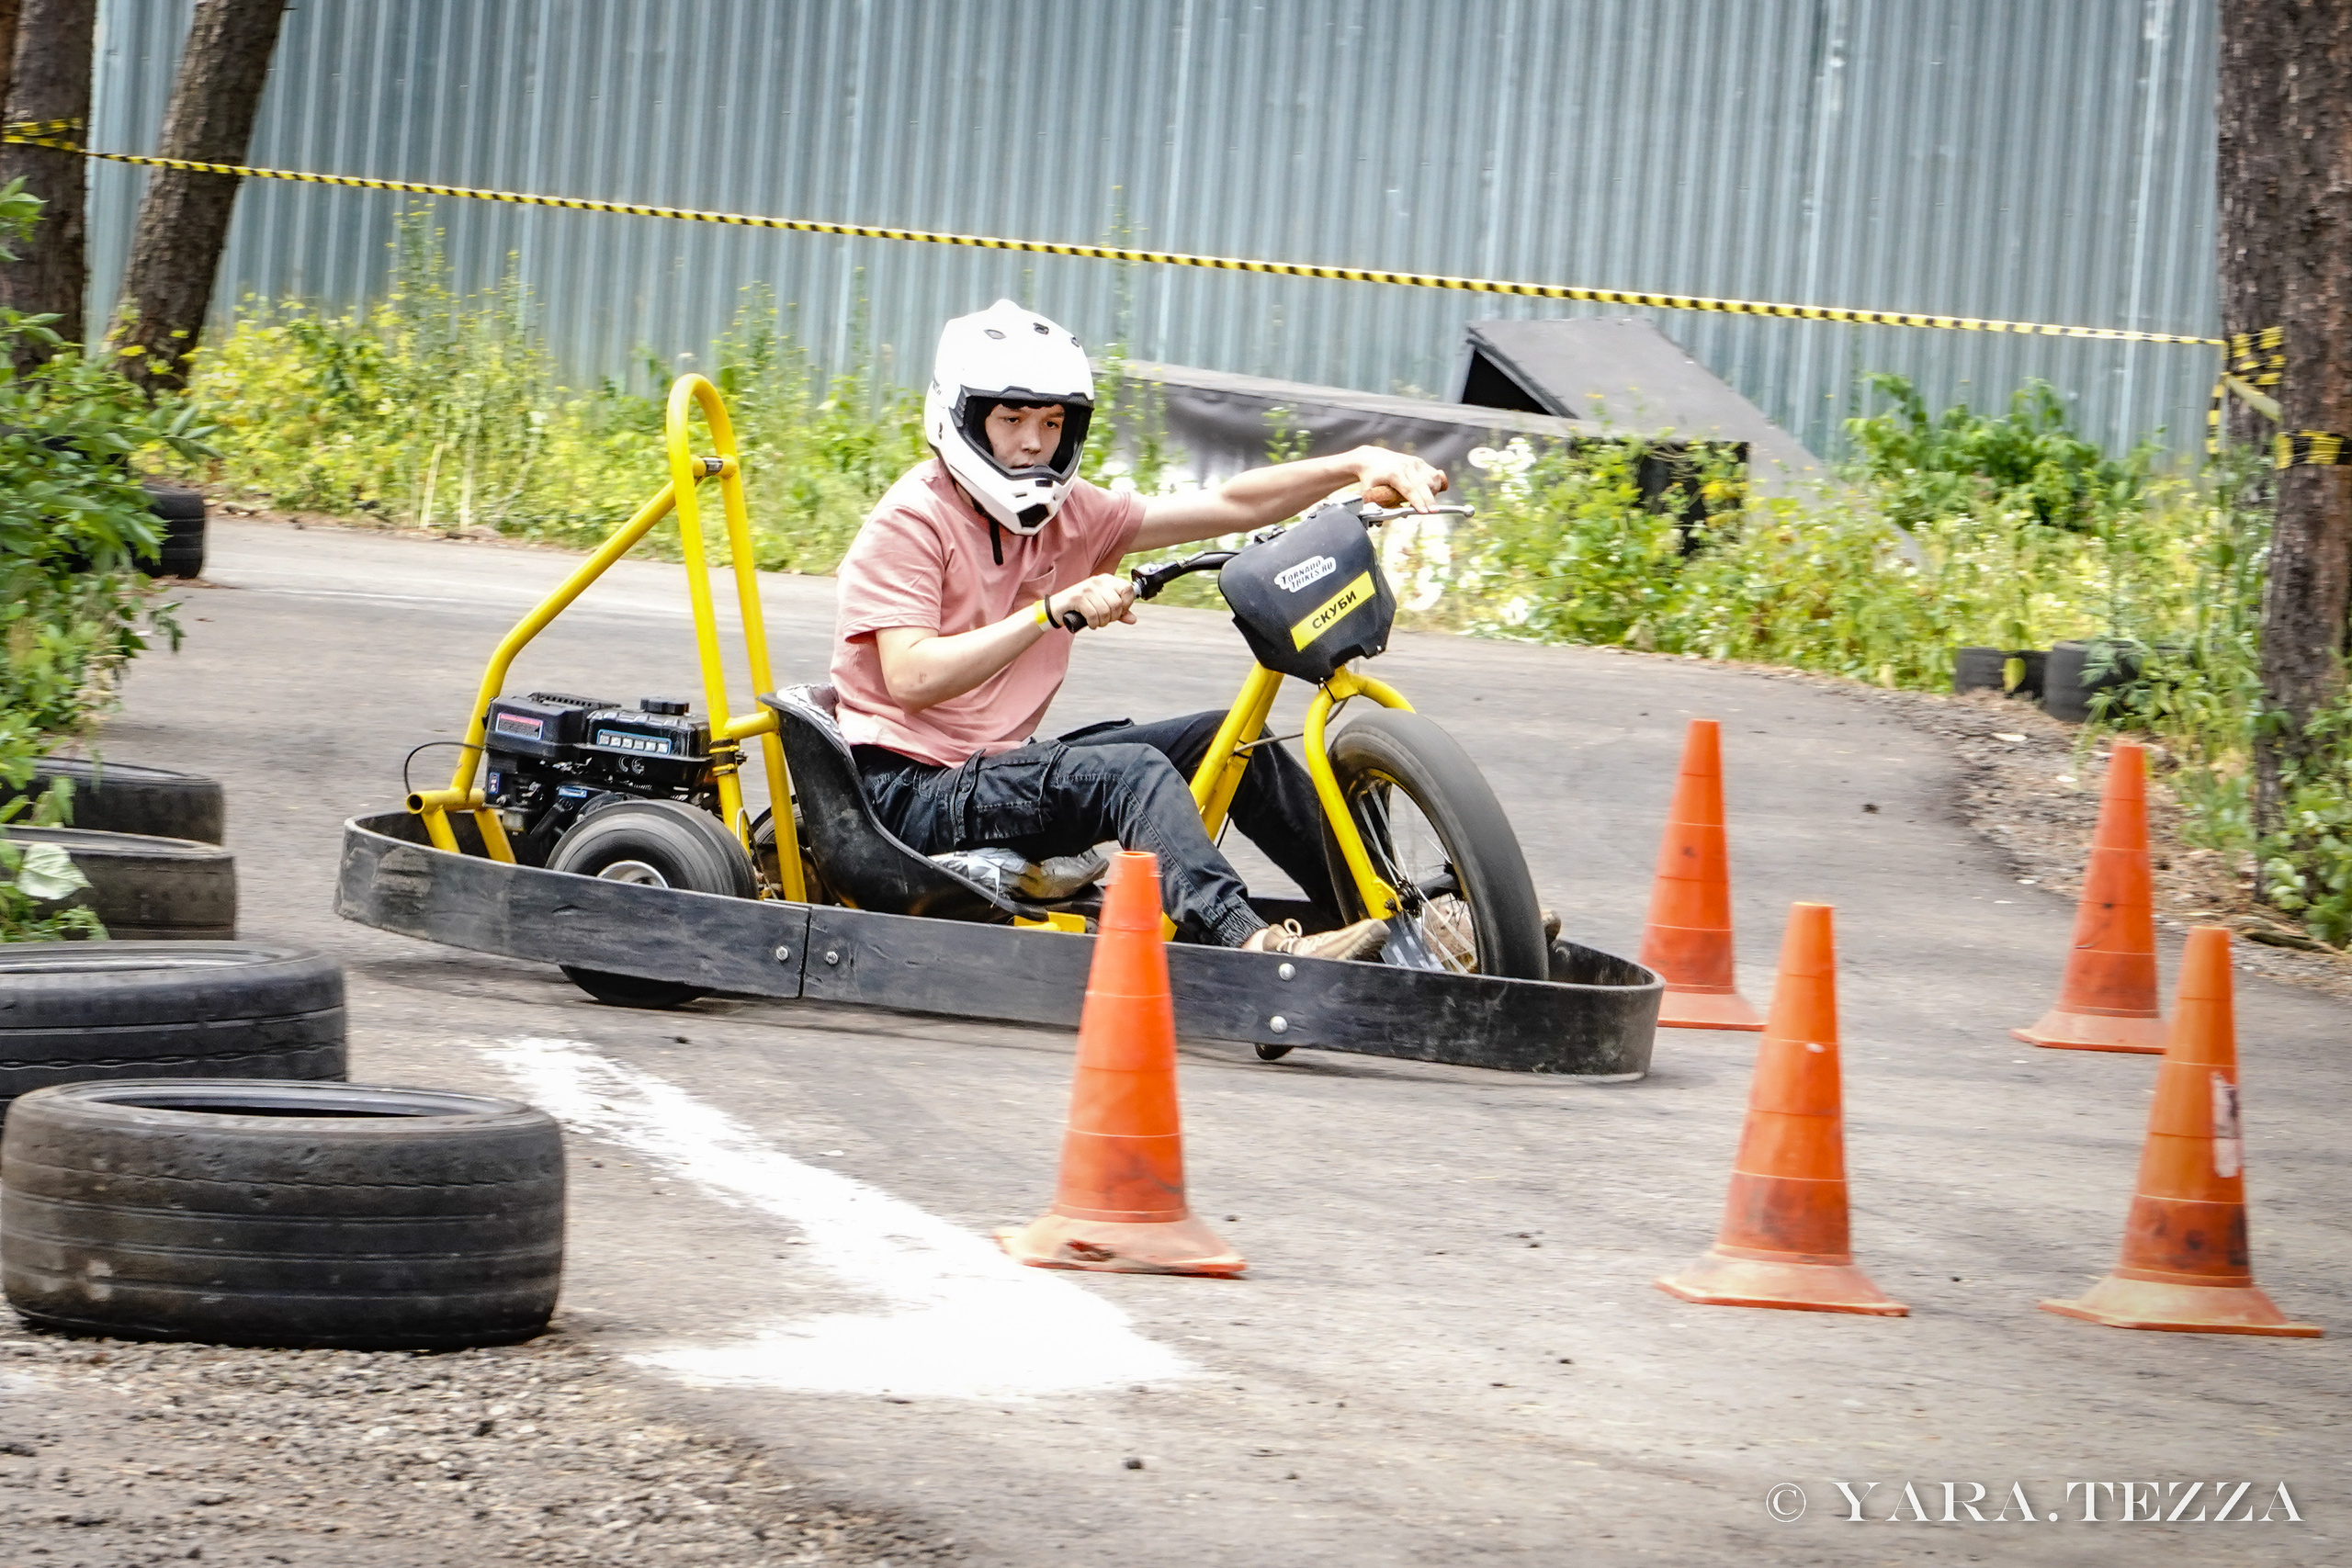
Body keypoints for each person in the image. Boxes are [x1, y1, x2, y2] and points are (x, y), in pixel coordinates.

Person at [828, 299, 1447, 961]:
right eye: (1011, 419)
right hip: (905, 793)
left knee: (1236, 741)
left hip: (996, 771)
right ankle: (1254, 944)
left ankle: (1407, 922)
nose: (1034, 441)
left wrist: (1354, 466)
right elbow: (913, 676)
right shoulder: (912, 520)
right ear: (963, 416)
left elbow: (1231, 504)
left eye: (1051, 420)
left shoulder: (1072, 514)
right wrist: (1046, 612)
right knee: (1131, 771)